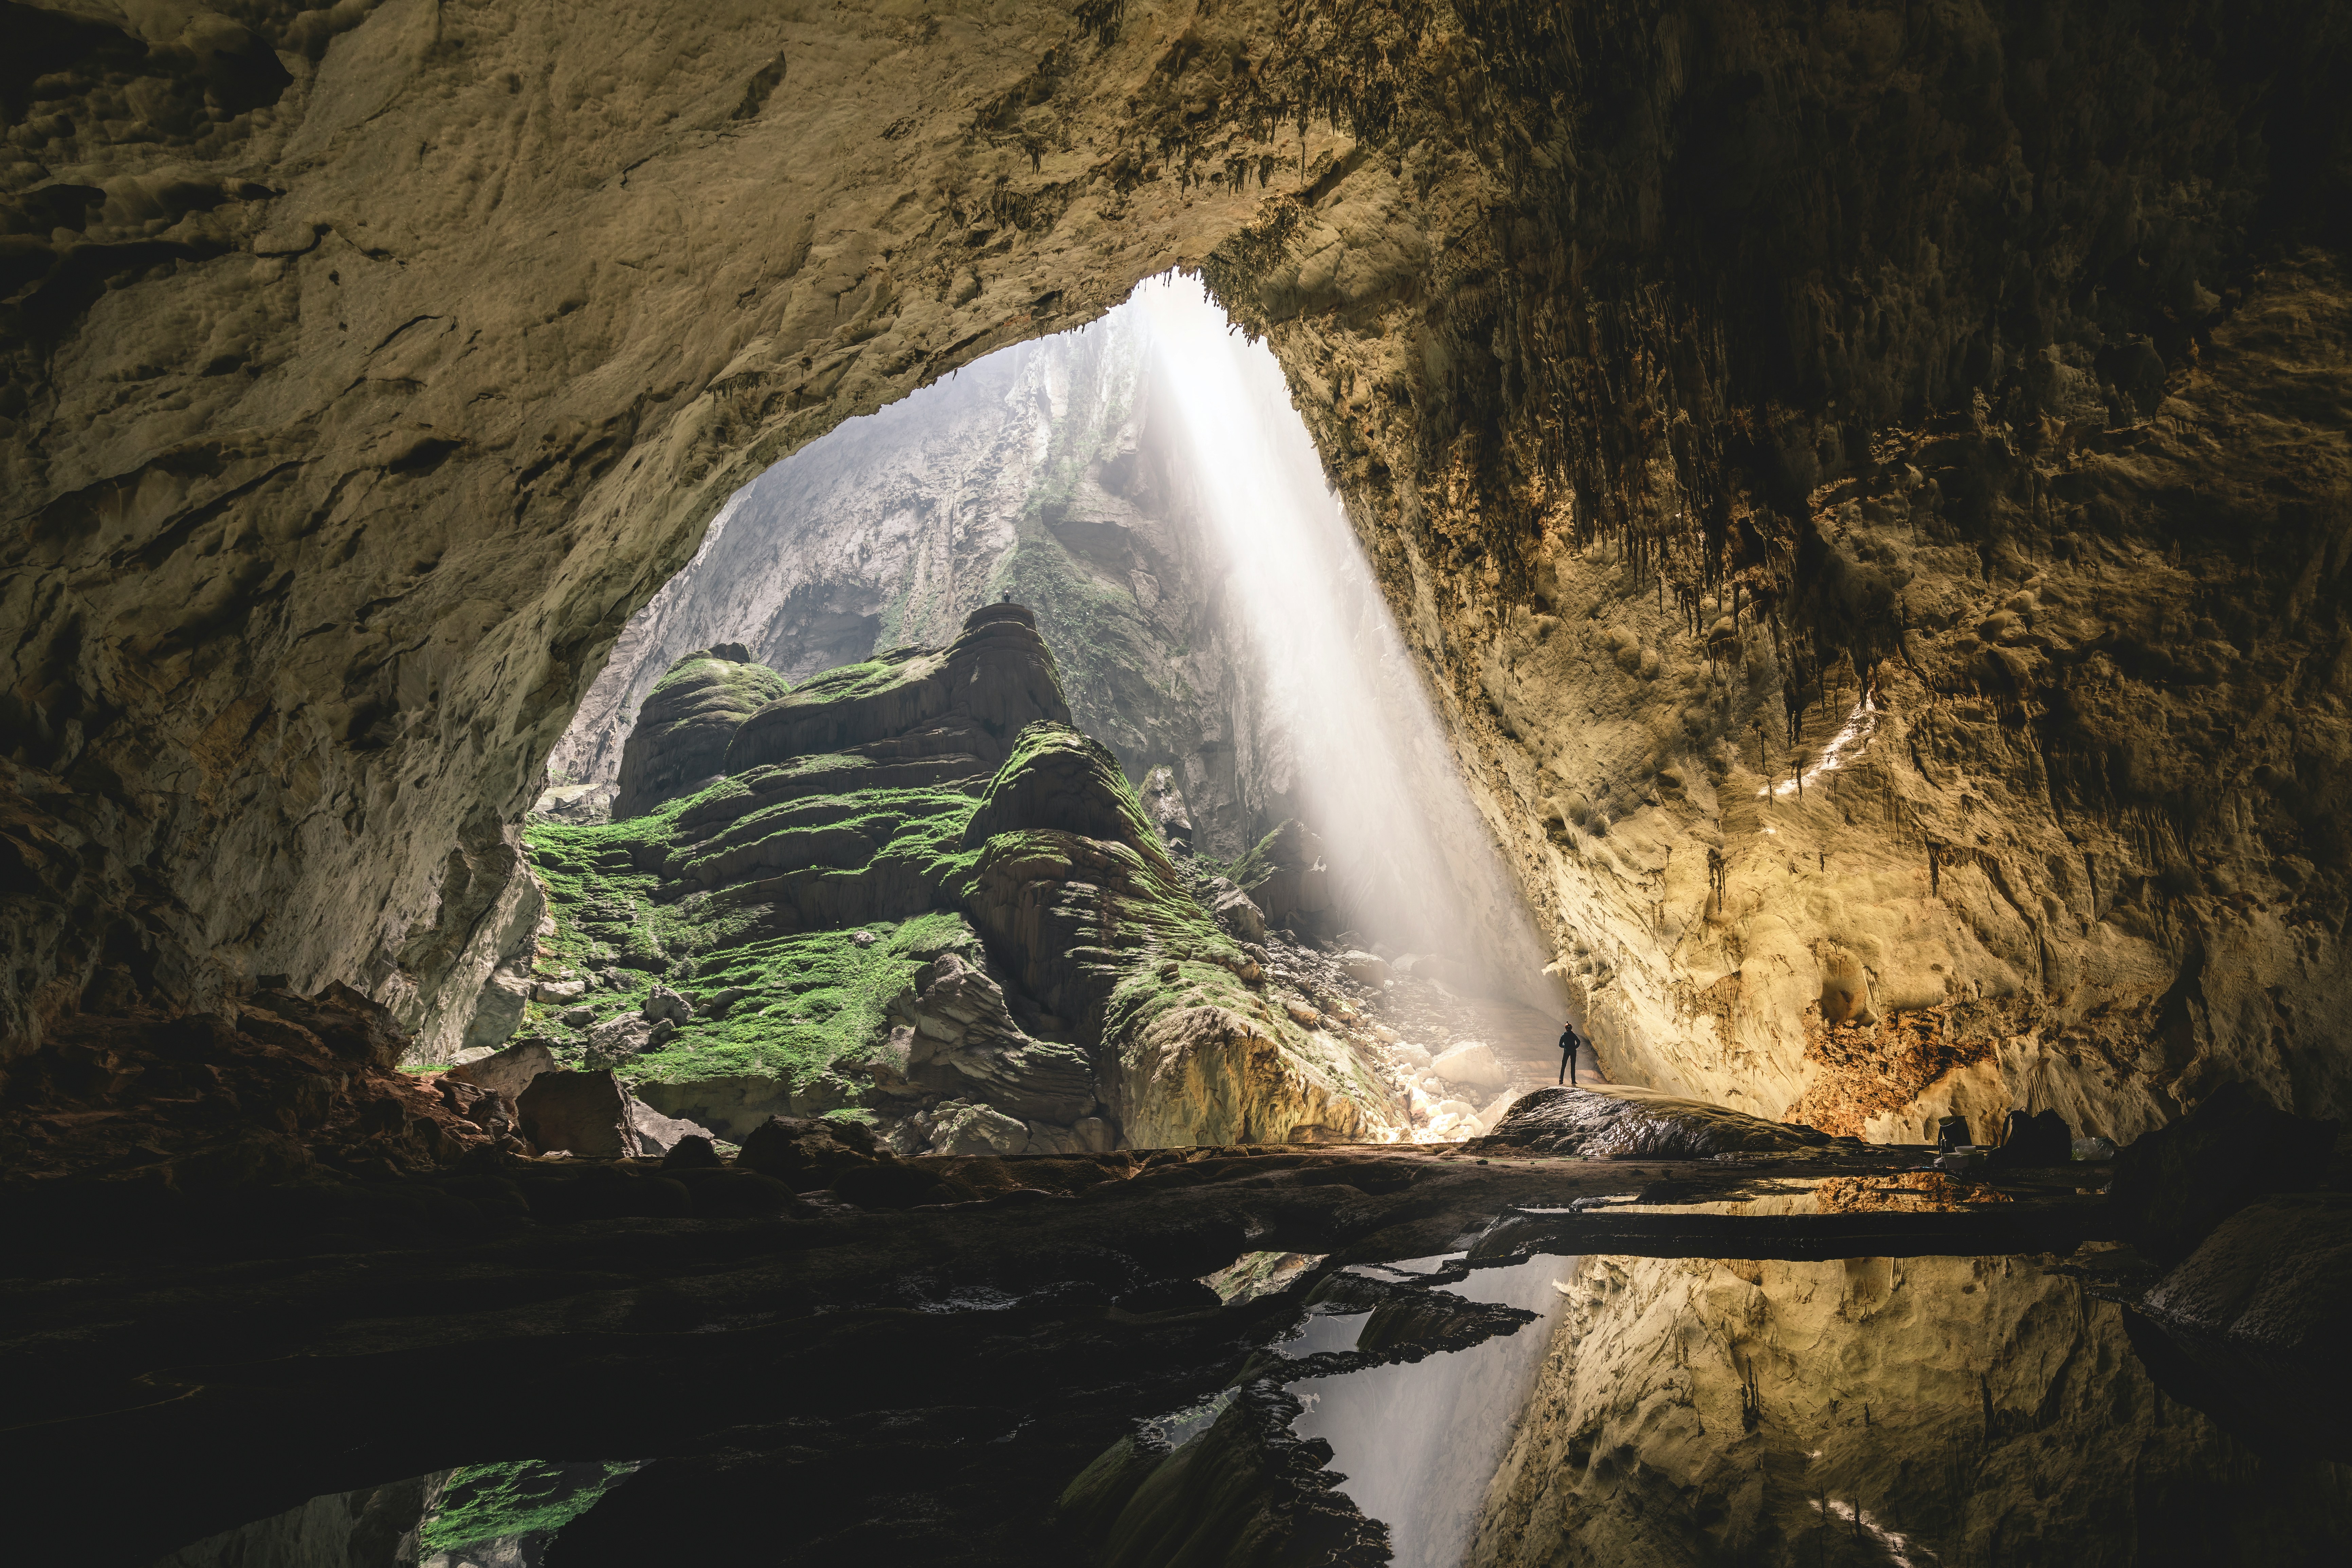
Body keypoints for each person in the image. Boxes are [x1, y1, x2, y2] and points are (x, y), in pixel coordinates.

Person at [1557, 1022, 1583, 1086]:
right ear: (1571, 1028)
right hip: (1573, 1052)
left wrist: (1565, 1046)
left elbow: (1560, 1045)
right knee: (1573, 1067)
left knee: (1563, 1066)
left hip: (1566, 1052)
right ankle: (1573, 1081)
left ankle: (1561, 1080)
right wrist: (1575, 1047)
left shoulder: (1563, 1035)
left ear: (1566, 1028)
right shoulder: (1573, 1035)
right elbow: (1579, 1042)